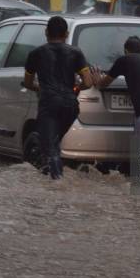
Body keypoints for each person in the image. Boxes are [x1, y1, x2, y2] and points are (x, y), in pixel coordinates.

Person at [23, 16, 93, 179]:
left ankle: (57, 184)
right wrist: (75, 88)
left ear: (46, 32)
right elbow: (88, 82)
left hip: (49, 104)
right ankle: (49, 174)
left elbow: (28, 83)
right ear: (67, 33)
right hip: (70, 106)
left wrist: (39, 88)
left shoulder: (36, 54)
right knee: (52, 143)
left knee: (51, 147)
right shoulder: (76, 53)